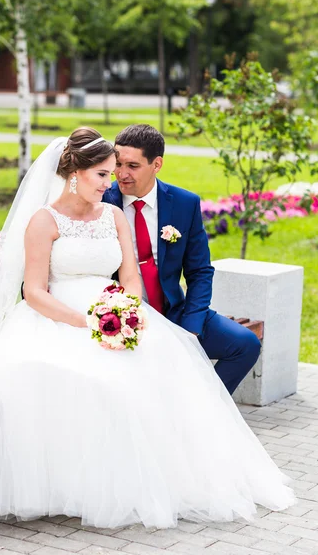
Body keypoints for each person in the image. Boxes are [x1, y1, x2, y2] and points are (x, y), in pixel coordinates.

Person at [0, 127, 295, 528]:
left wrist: (125, 310)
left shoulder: (115, 214)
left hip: (120, 310)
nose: (112, 181)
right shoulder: (43, 221)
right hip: (59, 318)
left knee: (166, 363)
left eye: (117, 171)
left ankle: (167, 462)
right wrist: (87, 322)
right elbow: (33, 291)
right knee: (99, 380)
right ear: (75, 173)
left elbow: (131, 275)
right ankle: (81, 480)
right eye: (104, 173)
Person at [103, 124, 260, 395]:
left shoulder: (184, 203)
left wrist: (191, 329)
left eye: (132, 165)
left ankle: (205, 405)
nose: (121, 173)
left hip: (173, 311)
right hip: (122, 315)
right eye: (117, 163)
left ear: (157, 164)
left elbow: (199, 271)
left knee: (245, 344)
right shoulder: (103, 201)